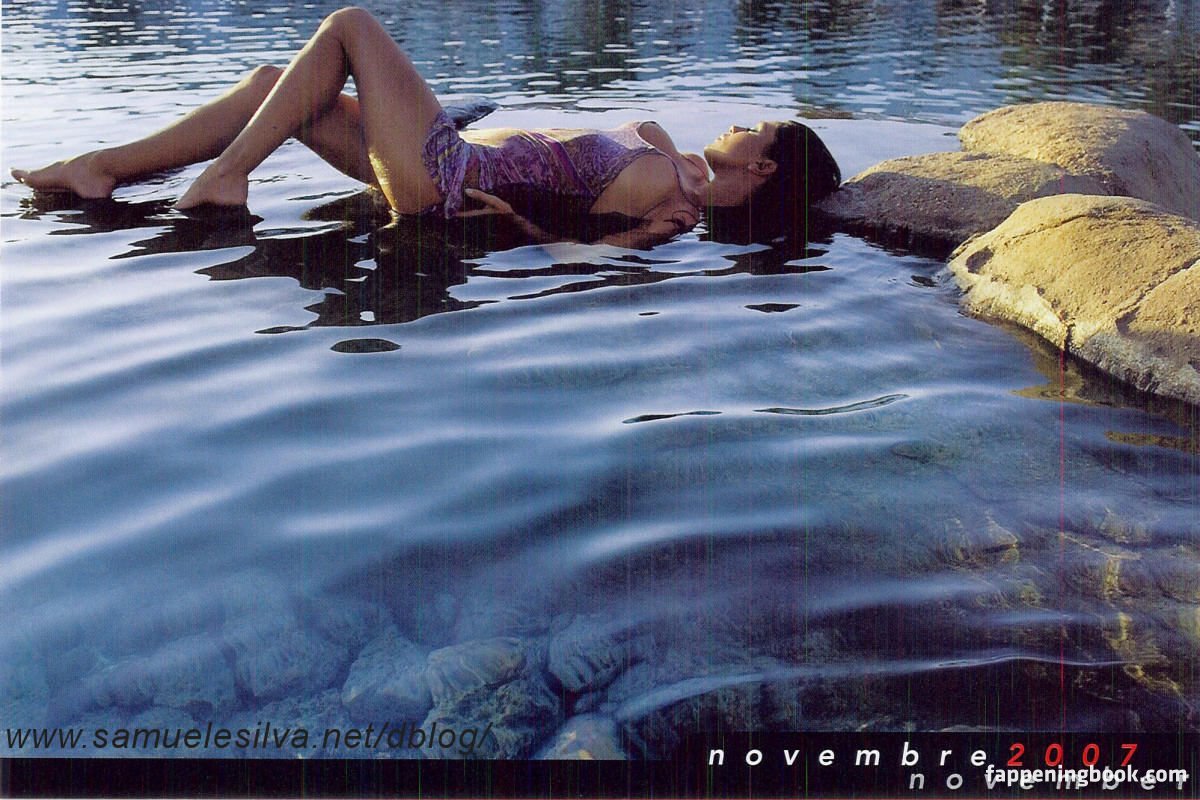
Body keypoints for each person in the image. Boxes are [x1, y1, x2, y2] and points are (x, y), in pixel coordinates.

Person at [11, 7, 840, 248]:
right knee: (272, 86)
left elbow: (583, 252)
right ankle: (99, 168)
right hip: (446, 160)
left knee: (350, 25)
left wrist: (517, 224)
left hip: (448, 179)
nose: (740, 122)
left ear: (766, 167)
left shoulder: (671, 205)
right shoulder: (674, 162)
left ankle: (225, 178)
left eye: (756, 126)